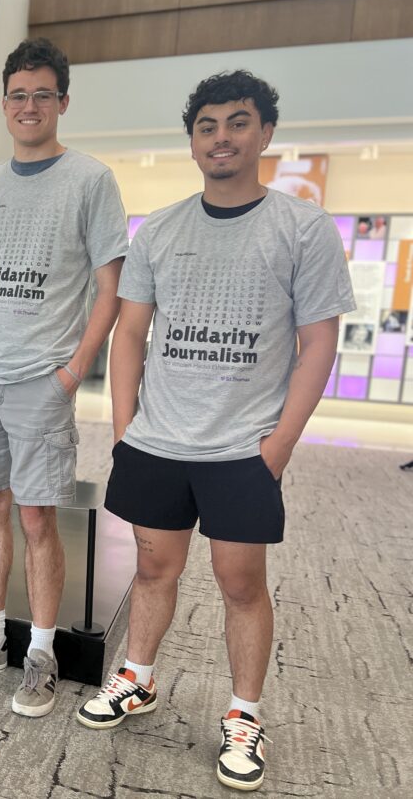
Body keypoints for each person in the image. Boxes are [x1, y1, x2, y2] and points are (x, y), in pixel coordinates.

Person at [76, 71, 354, 792]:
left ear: (265, 133)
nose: (221, 137)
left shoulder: (302, 227)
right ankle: (137, 677)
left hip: (242, 447)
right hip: (158, 442)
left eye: (237, 122)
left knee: (240, 583)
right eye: (207, 125)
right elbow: (130, 333)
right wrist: (125, 428)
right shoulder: (161, 229)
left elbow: (318, 343)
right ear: (193, 140)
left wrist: (279, 446)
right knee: (152, 569)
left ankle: (244, 713)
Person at [0, 38, 128, 718]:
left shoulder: (90, 180)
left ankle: (41, 653)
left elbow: (111, 288)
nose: (29, 105)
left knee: (37, 516)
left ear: (62, 102)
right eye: (18, 95)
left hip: (42, 378)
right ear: (4, 104)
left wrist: (73, 372)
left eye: (42, 94)